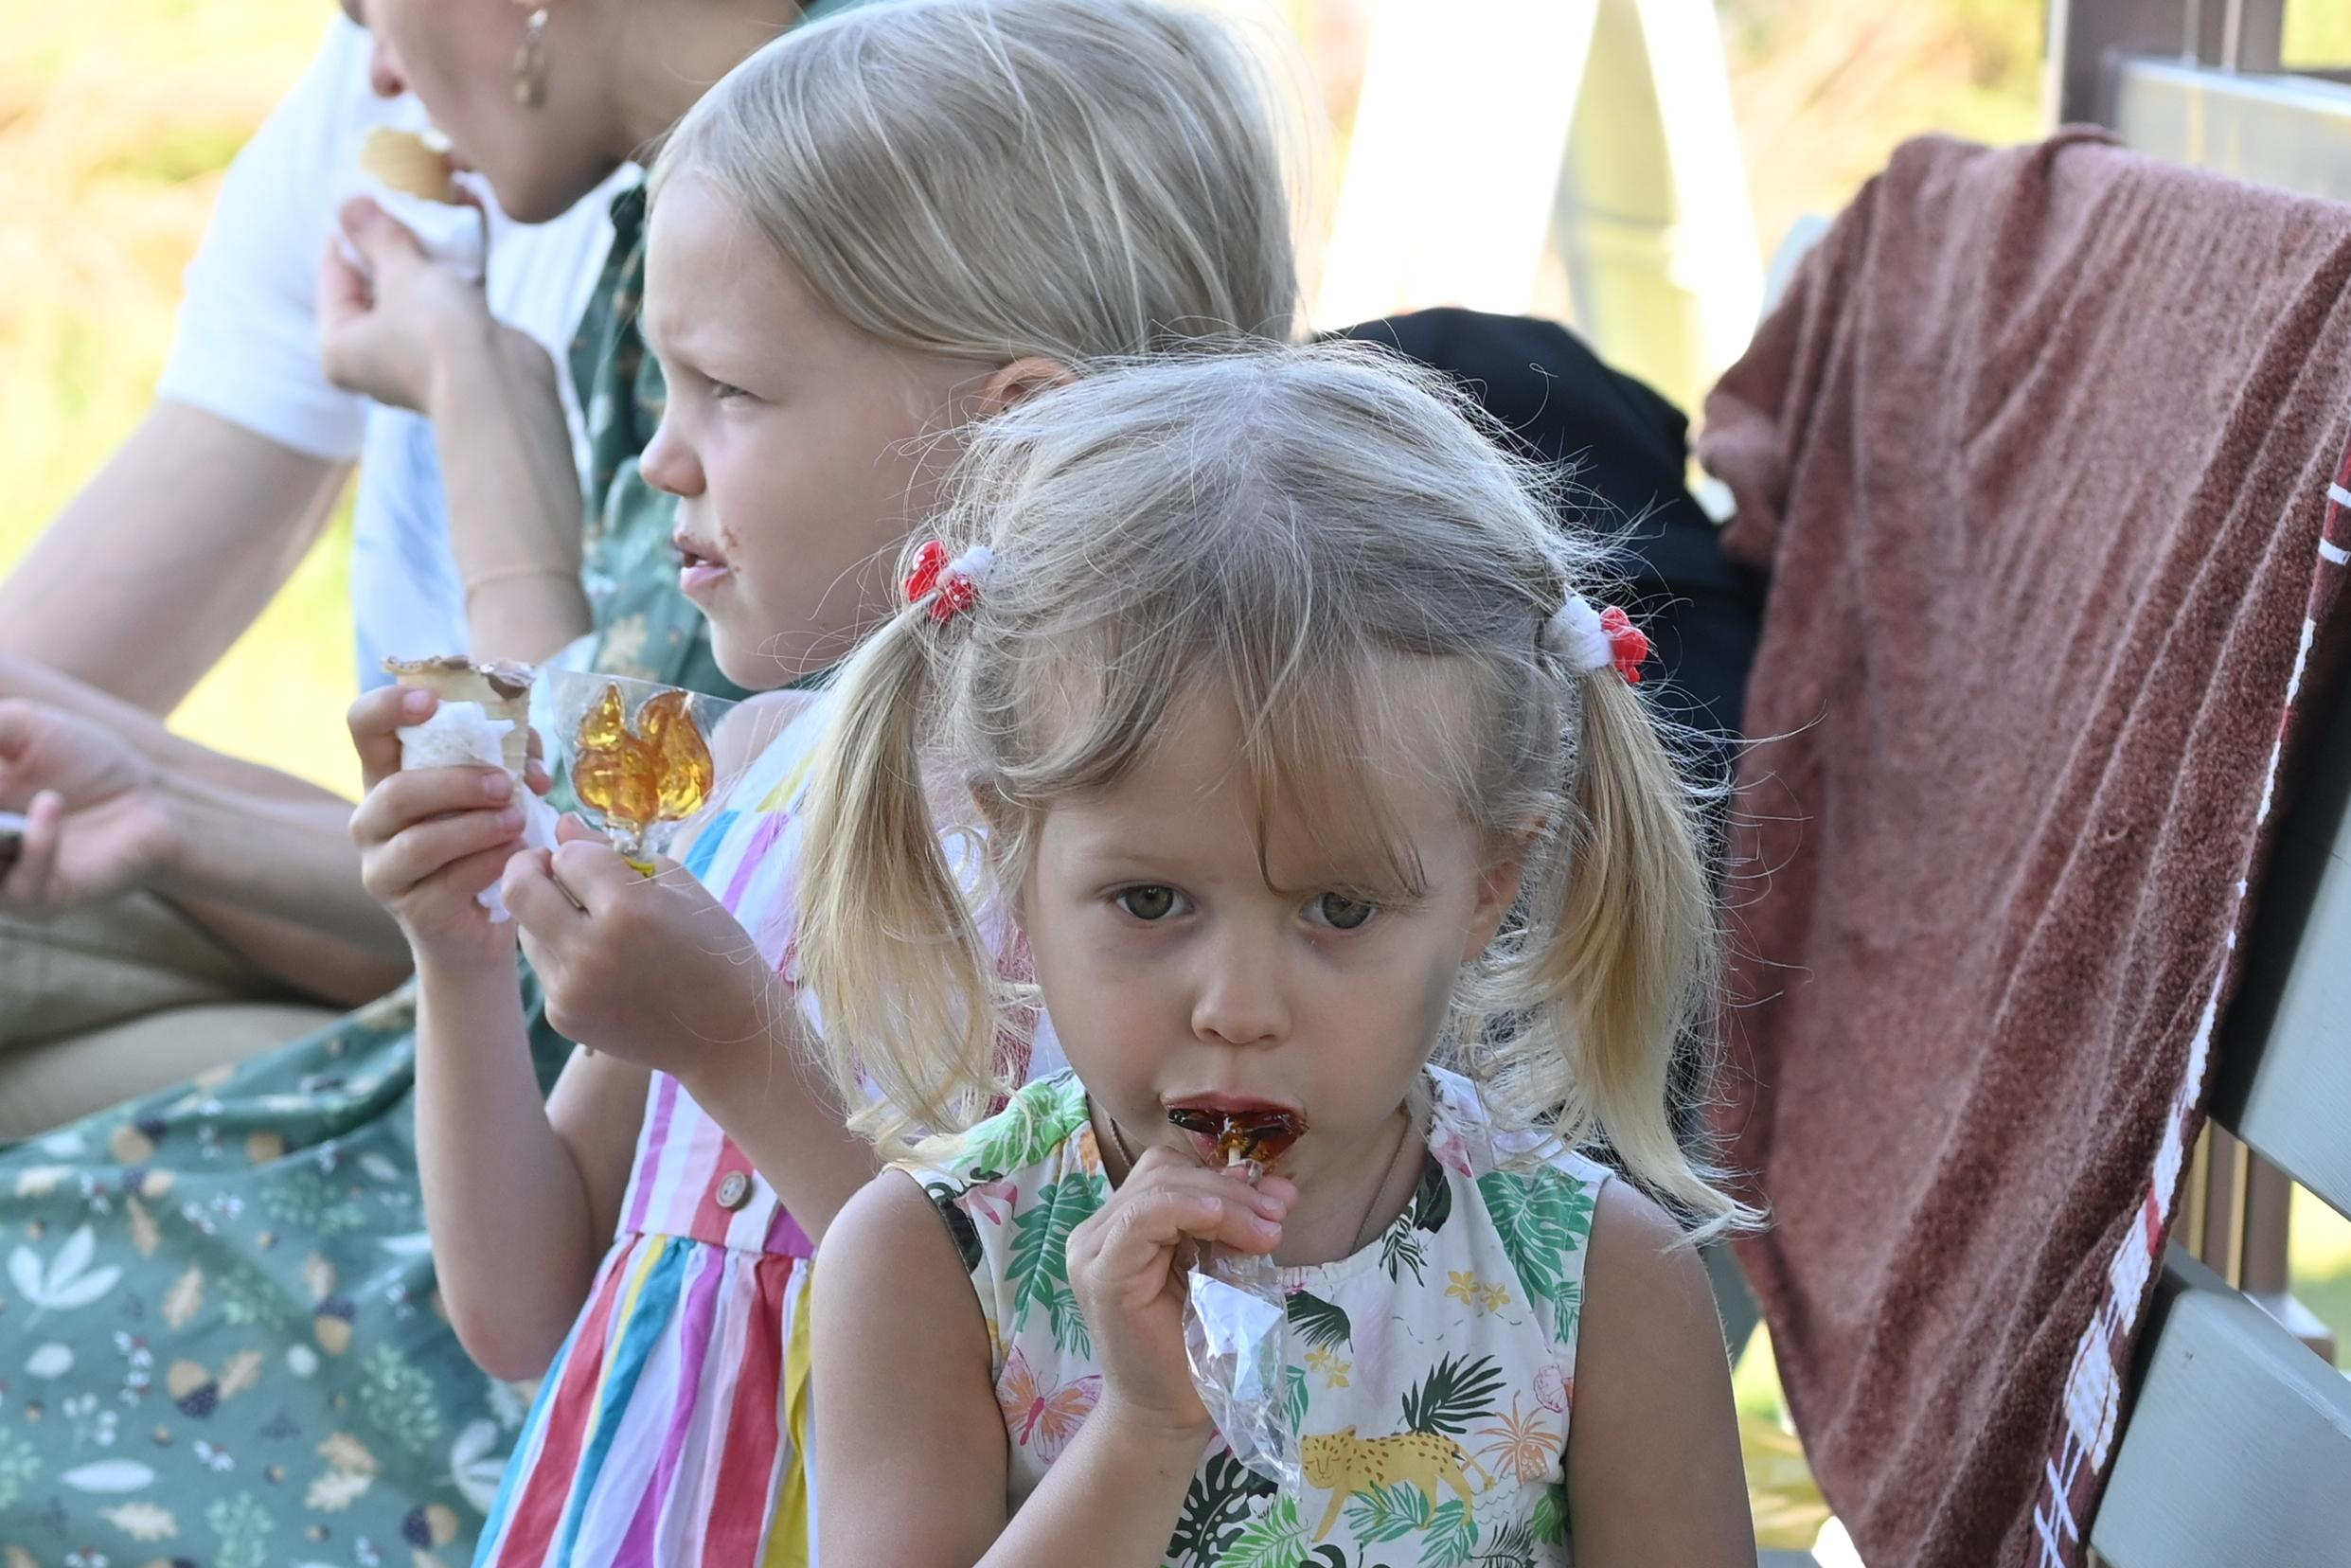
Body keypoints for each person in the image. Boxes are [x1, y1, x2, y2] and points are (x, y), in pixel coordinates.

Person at [342, 1, 1300, 1560]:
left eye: (726, 390)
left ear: (1015, 438)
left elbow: (1061, 1356)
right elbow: (526, 1306)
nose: (663, 458)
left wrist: (732, 1041)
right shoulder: (759, 779)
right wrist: (457, 960)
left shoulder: (1130, 873)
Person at [802, 346, 1759, 1566]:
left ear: (1486, 891)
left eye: (1342, 911)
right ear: (1013, 855)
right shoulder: (935, 1262)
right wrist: (1147, 1432)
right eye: (1149, 899)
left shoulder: (1596, 1279)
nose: (1238, 1011)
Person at [0, 9, 617, 1130]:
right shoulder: (398, 87)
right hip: (446, 923)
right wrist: (155, 804)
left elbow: (611, 872)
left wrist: (470, 393)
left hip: (547, 1005)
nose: (374, 61)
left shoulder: (774, 194)